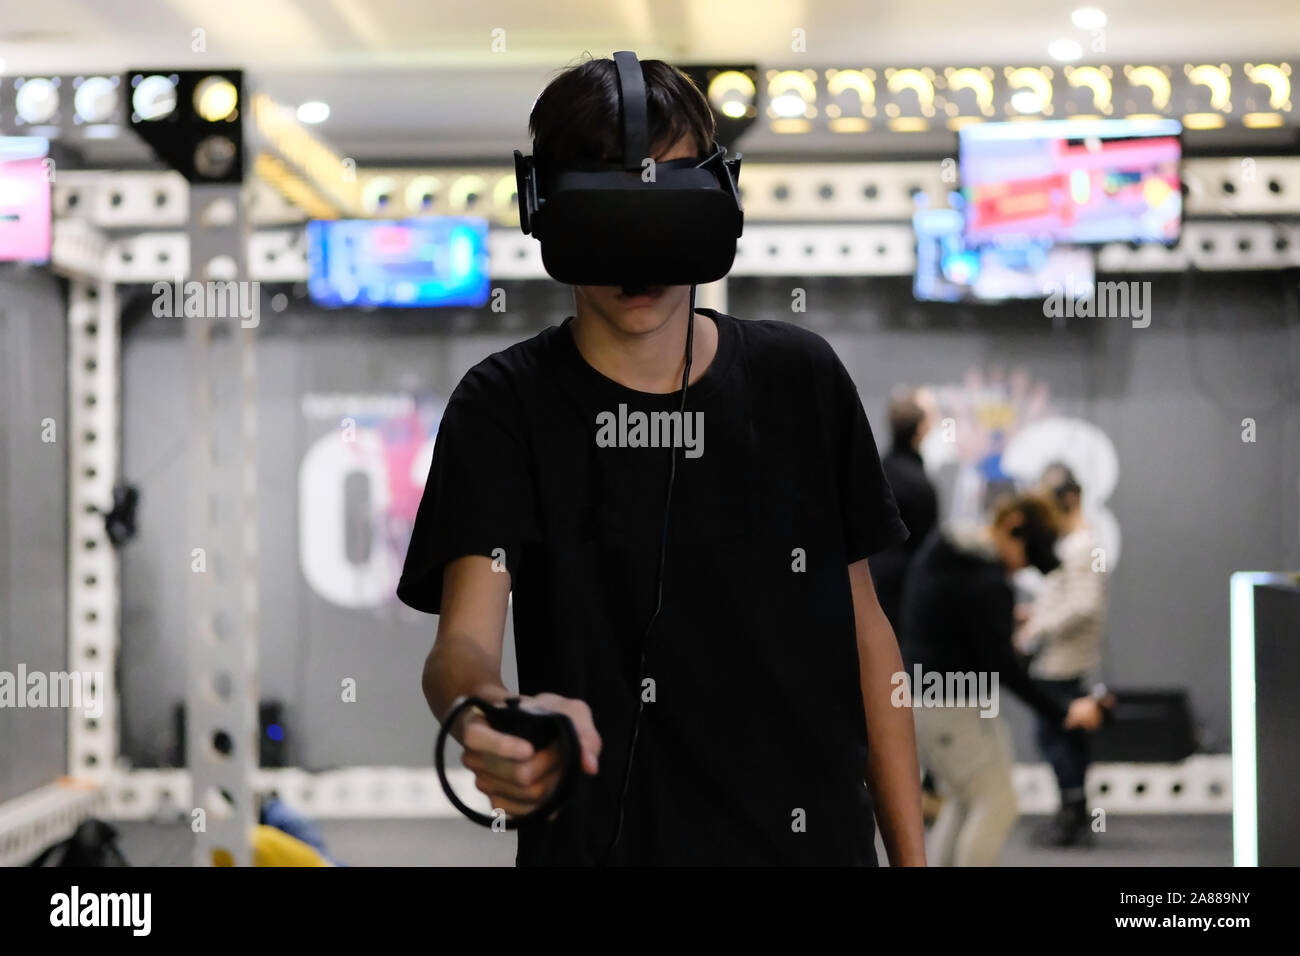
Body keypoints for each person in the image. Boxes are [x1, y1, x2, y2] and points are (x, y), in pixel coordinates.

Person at [397, 55, 927, 866]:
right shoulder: (503, 405)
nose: (637, 260)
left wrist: (912, 861)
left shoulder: (801, 380)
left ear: (717, 202)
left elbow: (868, 640)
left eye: (664, 204)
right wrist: (486, 718)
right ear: (544, 209)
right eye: (605, 211)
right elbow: (463, 645)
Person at [899, 493, 1105, 866]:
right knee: (997, 804)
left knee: (966, 800)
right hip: (952, 706)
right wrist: (1063, 710)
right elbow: (1004, 666)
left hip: (929, 700)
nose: (1020, 569)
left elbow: (967, 634)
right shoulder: (986, 579)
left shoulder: (946, 552)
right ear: (1013, 527)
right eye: (1026, 557)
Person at [1014, 462, 1109, 847]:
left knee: (1057, 737)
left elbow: (1083, 605)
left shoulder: (1080, 545)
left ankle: (1072, 817)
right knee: (1064, 736)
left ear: (1067, 500)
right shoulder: (1076, 544)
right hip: (1062, 655)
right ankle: (1073, 813)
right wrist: (1036, 615)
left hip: (1062, 659)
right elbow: (1071, 599)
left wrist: (1037, 626)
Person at [869, 387, 939, 630]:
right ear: (921, 429)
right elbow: (926, 548)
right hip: (906, 594)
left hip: (870, 585)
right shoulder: (920, 485)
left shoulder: (873, 473)